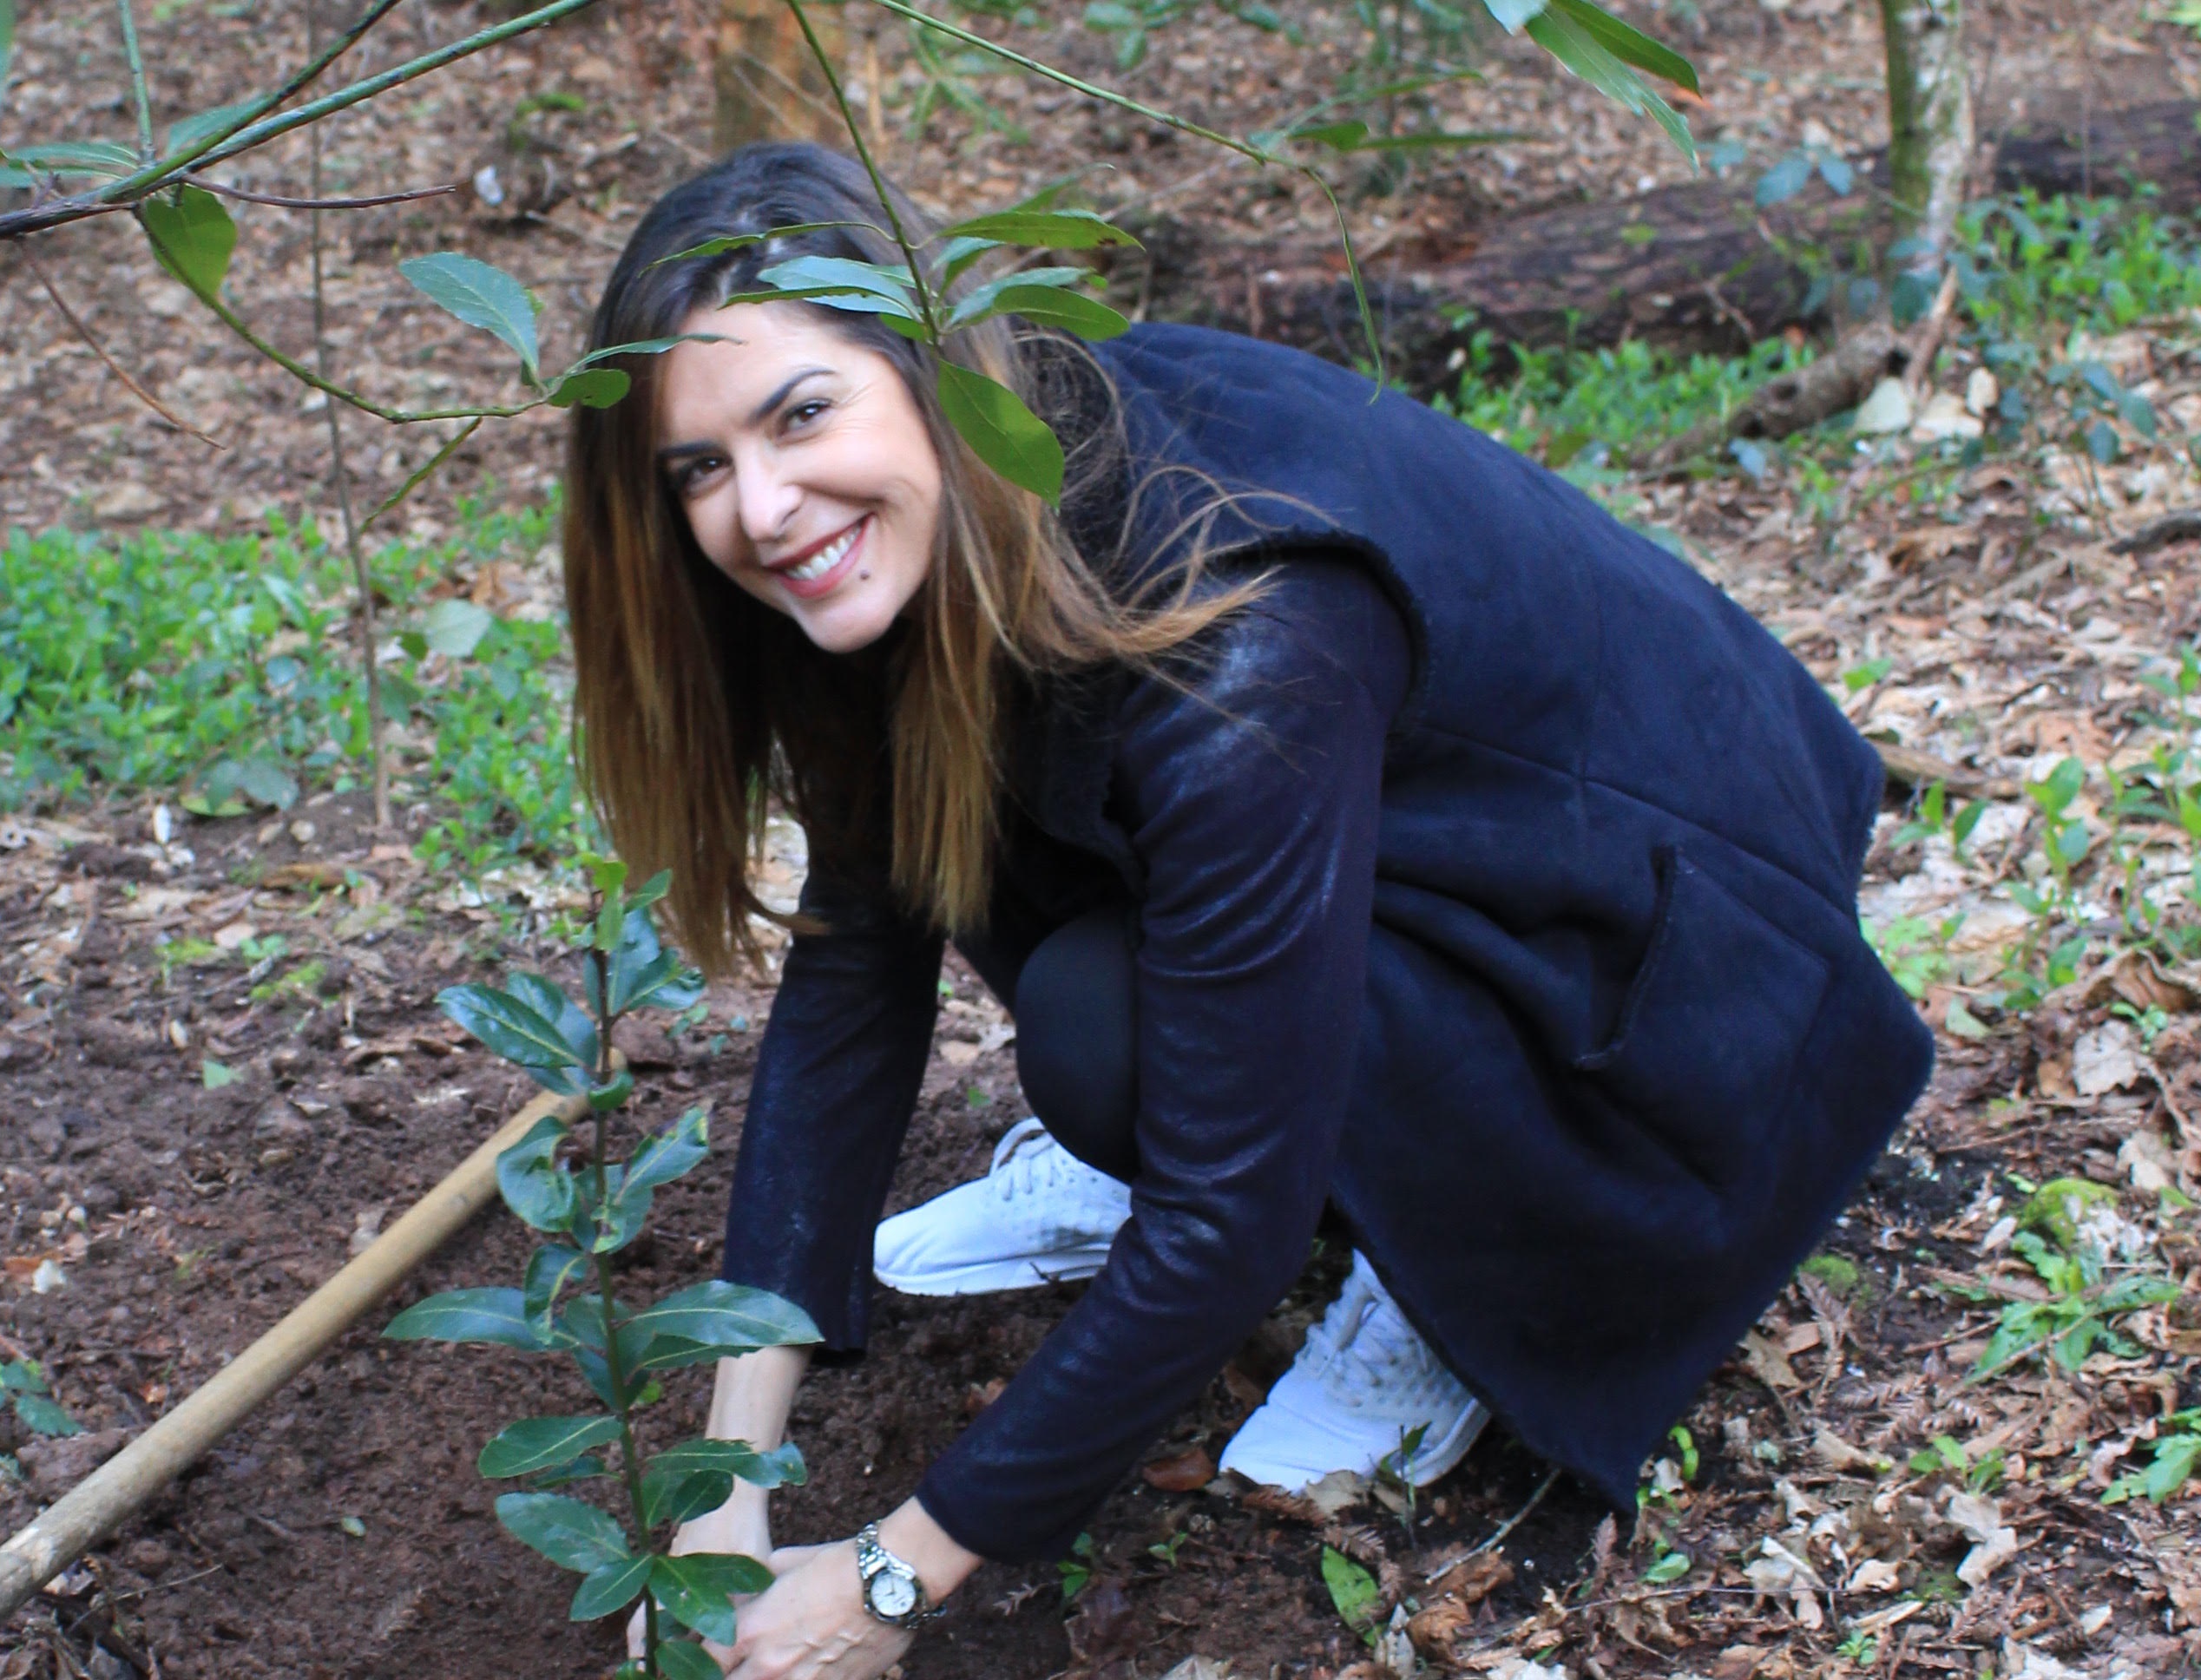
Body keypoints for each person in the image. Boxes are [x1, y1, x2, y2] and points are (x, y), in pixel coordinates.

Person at [562, 142, 1931, 1680]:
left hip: (1668, 982)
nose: (760, 505)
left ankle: (1452, 1268)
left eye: (802, 413)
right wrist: (726, 1488)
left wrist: (888, 1580)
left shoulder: (1241, 624)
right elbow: (854, 977)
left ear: (930, 364)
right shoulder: (959, 509)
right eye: (697, 468)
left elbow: (1225, 1220)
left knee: (1117, 1049)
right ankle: (1274, 1110)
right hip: (1446, 843)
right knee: (1043, 900)